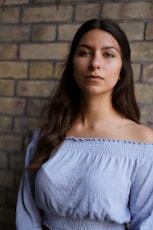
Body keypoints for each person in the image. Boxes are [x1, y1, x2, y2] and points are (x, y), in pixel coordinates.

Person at [16, 18, 153, 230]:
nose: (95, 64)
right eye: (84, 53)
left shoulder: (142, 143)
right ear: (72, 66)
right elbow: (27, 216)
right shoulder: (46, 136)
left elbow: (147, 222)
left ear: (122, 70)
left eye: (108, 54)